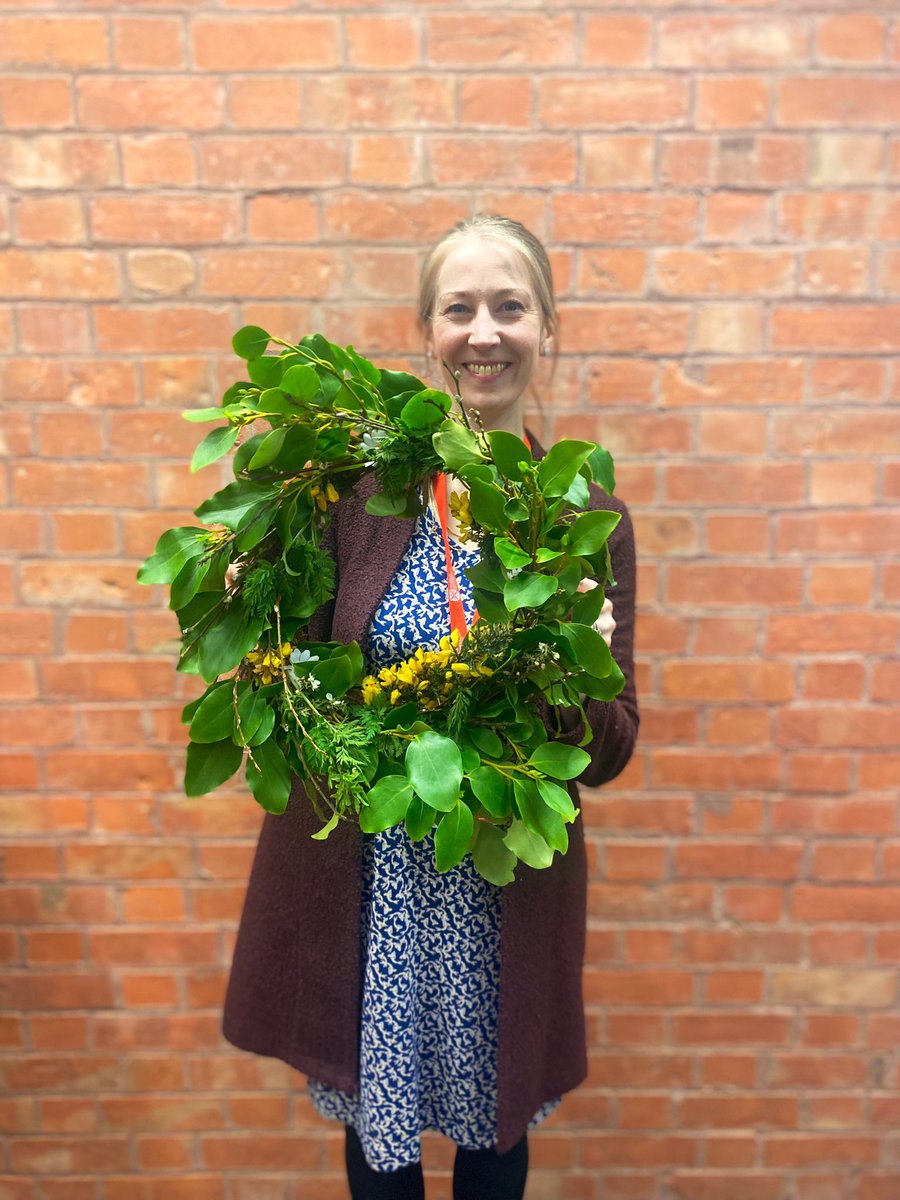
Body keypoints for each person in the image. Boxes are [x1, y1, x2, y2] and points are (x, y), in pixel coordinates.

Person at [222, 215, 639, 1200]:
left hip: (505, 886)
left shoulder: (586, 521)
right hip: (374, 886)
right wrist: (256, 596)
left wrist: (571, 665)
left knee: (494, 1149)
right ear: (426, 331)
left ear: (547, 327)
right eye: (460, 309)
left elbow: (612, 748)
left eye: (510, 306)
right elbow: (299, 679)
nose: (484, 333)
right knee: (382, 1148)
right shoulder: (358, 496)